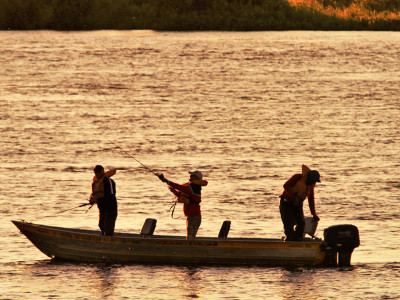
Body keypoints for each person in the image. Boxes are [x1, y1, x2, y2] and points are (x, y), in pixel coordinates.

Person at [158, 171, 208, 239]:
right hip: (191, 216)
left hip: (194, 217)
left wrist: (166, 181)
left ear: (196, 177)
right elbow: (181, 194)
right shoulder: (191, 187)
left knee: (190, 238)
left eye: (192, 175)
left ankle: (190, 249)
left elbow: (179, 187)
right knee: (190, 237)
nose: (190, 177)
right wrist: (173, 191)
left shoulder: (193, 188)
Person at [279, 165, 320, 241]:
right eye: (313, 181)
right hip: (286, 202)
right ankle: (289, 240)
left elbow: (311, 199)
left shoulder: (311, 186)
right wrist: (292, 196)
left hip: (297, 205)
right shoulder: (297, 177)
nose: (313, 183)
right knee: (289, 224)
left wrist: (313, 214)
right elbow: (286, 185)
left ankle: (297, 240)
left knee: (301, 223)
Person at [89, 165, 118, 236]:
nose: (97, 173)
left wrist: (99, 200)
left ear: (103, 171)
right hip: (102, 209)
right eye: (95, 172)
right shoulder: (96, 183)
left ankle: (109, 243)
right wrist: (93, 200)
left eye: (99, 171)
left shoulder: (109, 181)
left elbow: (111, 195)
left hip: (111, 209)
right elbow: (95, 194)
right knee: (101, 225)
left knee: (108, 229)